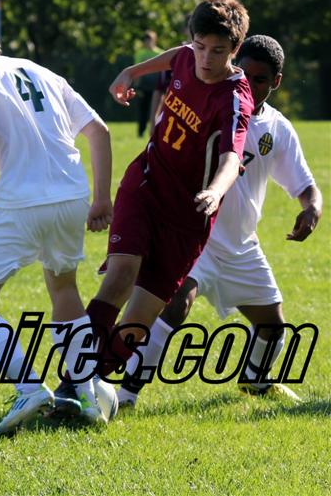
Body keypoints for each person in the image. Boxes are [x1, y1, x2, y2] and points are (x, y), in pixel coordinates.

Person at [52, 0, 254, 411]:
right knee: (120, 276)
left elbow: (233, 158)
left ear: (235, 50)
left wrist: (215, 191)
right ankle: (71, 384)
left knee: (138, 321)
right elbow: (175, 55)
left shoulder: (234, 97)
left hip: (188, 218)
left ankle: (93, 385)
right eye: (200, 46)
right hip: (145, 184)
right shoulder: (186, 56)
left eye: (218, 51)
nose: (205, 58)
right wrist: (131, 71)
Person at [116, 35, 323, 408]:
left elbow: (305, 185)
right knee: (176, 304)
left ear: (276, 81)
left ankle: (256, 382)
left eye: (261, 79)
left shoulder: (277, 129)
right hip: (197, 237)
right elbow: (184, 55)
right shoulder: (216, 104)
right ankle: (125, 394)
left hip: (241, 245)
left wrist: (312, 208)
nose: (251, 85)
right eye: (246, 74)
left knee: (273, 326)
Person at [0, 10, 113, 435]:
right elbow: (100, 132)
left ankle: (30, 388)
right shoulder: (42, 72)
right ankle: (87, 394)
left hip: (22, 203)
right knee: (64, 289)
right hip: (72, 197)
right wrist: (102, 198)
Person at [134, 30, 163, 137]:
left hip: (156, 87)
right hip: (143, 86)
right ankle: (141, 132)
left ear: (154, 40)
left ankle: (156, 131)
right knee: (143, 109)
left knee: (156, 110)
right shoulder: (140, 53)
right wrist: (136, 85)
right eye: (145, 40)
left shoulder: (161, 53)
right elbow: (136, 69)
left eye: (149, 39)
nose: (147, 42)